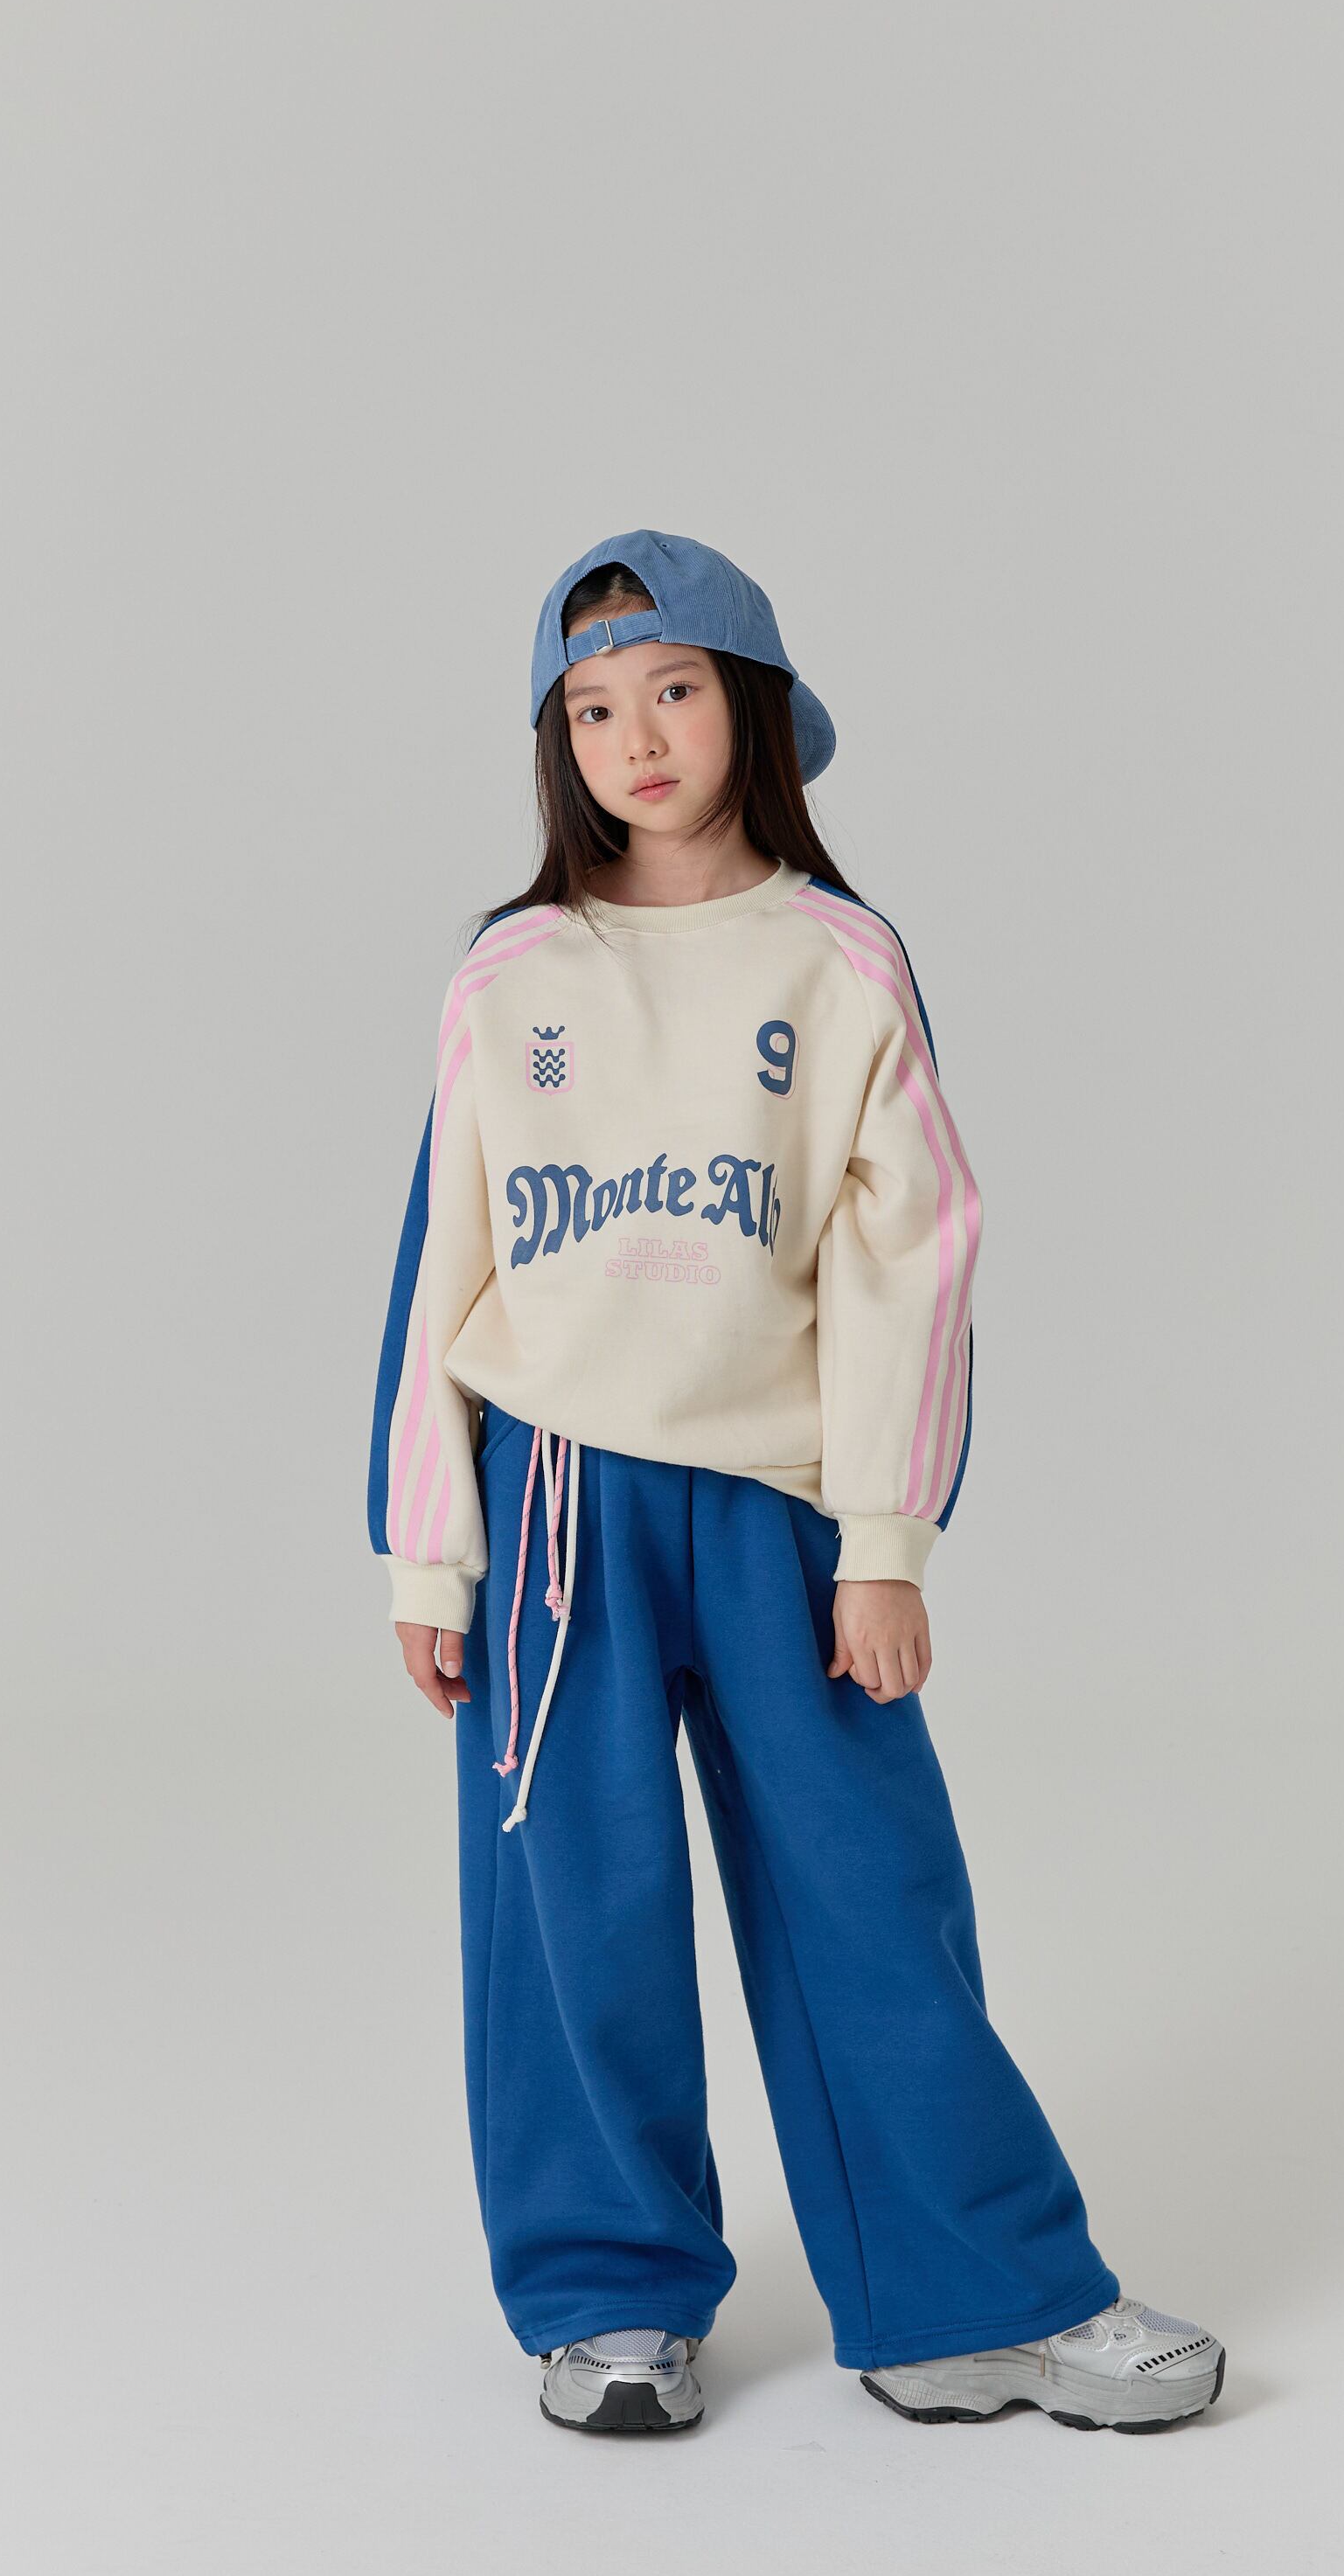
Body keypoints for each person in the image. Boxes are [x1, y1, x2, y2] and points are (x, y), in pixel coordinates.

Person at [367, 529, 1222, 2441]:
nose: (637, 737)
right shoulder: (513, 972)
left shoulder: (837, 961)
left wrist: (884, 1543)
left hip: (776, 1508)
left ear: (750, 706)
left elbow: (907, 1259)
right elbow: (445, 1260)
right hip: (559, 1510)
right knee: (572, 1911)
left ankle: (965, 2298)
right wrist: (432, 1559)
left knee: (869, 1889)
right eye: (593, 707)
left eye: (672, 689)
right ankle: (607, 2297)